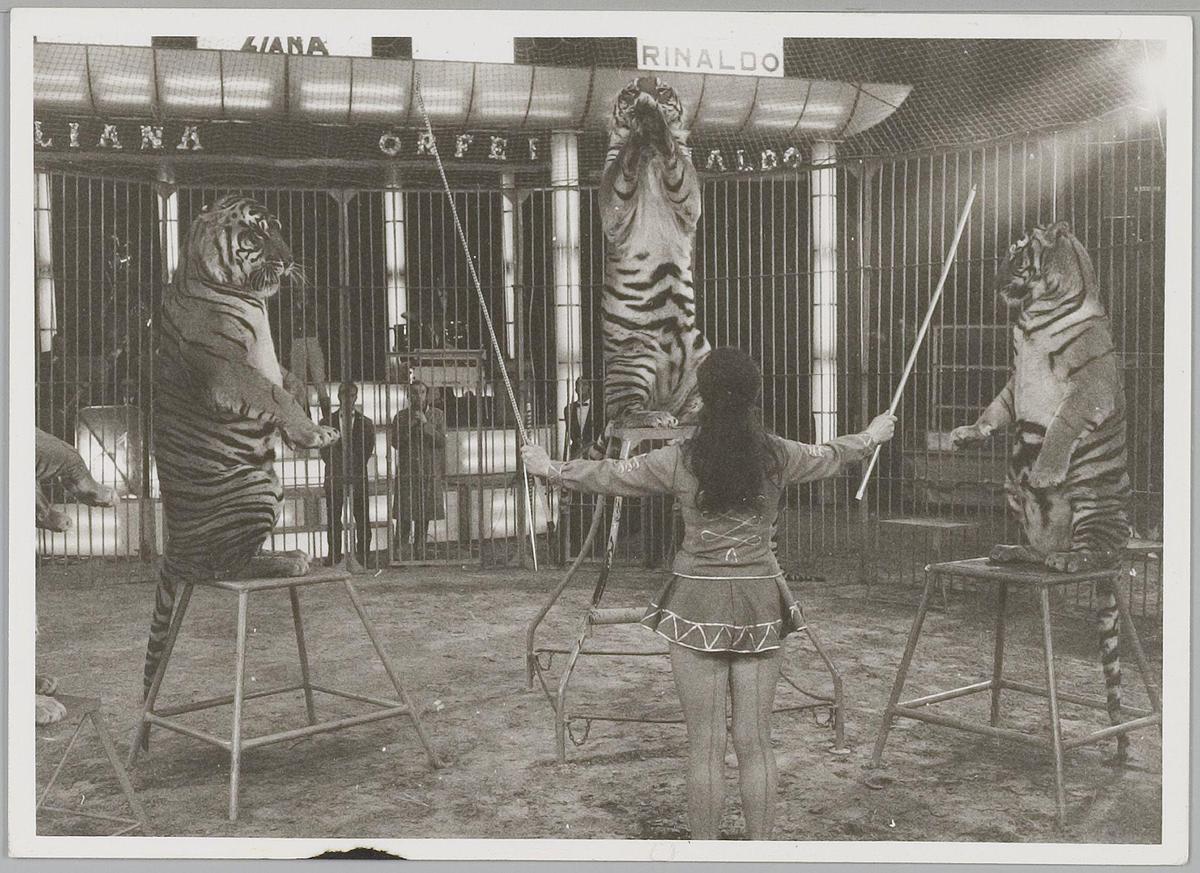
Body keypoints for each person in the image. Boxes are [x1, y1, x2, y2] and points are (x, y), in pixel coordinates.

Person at [521, 347, 896, 840]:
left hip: (695, 603)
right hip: (760, 603)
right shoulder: (779, 454)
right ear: (754, 396)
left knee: (705, 747)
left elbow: (612, 475)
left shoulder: (679, 458)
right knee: (756, 744)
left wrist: (551, 467)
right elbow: (830, 455)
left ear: (701, 396)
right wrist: (871, 435)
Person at [389, 379, 447, 561]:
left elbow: (442, 442)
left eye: (422, 392)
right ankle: (400, 550)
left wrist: (425, 425)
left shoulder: (438, 415)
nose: (418, 396)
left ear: (427, 395)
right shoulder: (400, 417)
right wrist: (411, 425)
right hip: (408, 471)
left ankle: (420, 549)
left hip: (428, 470)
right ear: (409, 396)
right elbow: (395, 443)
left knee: (424, 513)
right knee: (405, 513)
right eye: (414, 393)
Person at [320, 382, 376, 566]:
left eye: (351, 395)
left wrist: (353, 464)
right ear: (339, 397)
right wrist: (338, 465)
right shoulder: (326, 422)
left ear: (356, 397)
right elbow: (324, 450)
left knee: (362, 517)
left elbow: (368, 449)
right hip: (335, 475)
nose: (348, 399)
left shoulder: (366, 423)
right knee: (334, 517)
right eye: (344, 395)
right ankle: (334, 555)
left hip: (358, 474)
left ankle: (363, 555)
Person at [287, 288, 331, 421]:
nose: (300, 295)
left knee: (319, 378)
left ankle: (327, 417)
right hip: (297, 341)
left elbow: (323, 325)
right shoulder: (291, 309)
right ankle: (306, 416)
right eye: (297, 292)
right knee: (299, 379)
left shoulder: (315, 308)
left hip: (312, 340)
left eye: (303, 292)